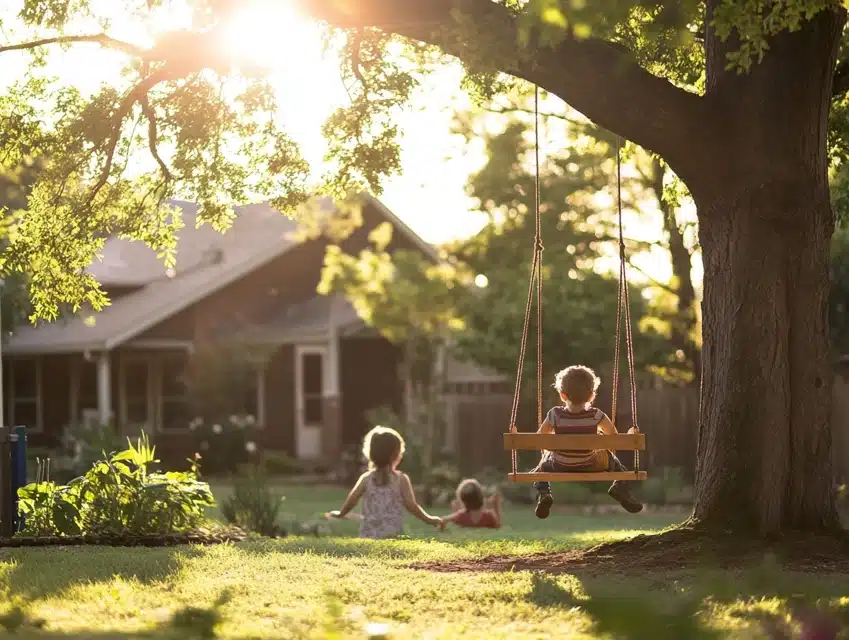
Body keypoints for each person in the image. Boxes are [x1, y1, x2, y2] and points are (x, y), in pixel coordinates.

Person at [532, 365, 644, 519]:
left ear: (563, 395)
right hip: (591, 463)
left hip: (560, 464)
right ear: (591, 396)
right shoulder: (596, 415)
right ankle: (619, 486)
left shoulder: (554, 414)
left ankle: (544, 494)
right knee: (610, 457)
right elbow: (613, 437)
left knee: (543, 464)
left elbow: (540, 439)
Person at [327, 425, 444, 538]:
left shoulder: (366, 479)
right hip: (393, 536)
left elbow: (352, 499)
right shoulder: (401, 479)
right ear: (395, 455)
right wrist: (429, 519)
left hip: (368, 536)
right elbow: (411, 506)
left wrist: (340, 514)